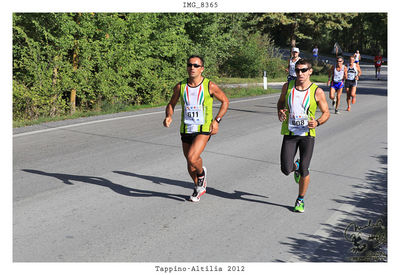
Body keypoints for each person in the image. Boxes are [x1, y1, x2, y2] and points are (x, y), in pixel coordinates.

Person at [163, 55, 229, 202]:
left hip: (203, 128)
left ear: (202, 69)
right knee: (189, 162)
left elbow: (225, 101)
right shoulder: (180, 86)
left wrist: (217, 120)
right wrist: (169, 116)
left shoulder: (209, 86)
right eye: (190, 65)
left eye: (196, 65)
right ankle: (198, 187)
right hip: (186, 128)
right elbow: (171, 103)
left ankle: (201, 176)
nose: (192, 68)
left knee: (193, 157)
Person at [277, 59, 330, 213]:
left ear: (310, 71)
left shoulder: (316, 91)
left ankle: (300, 199)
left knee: (305, 170)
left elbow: (326, 112)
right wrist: (280, 112)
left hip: (307, 135)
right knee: (286, 169)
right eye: (297, 70)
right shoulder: (288, 87)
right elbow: (280, 103)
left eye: (304, 70)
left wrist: (318, 122)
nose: (300, 73)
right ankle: (296, 166)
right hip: (290, 133)